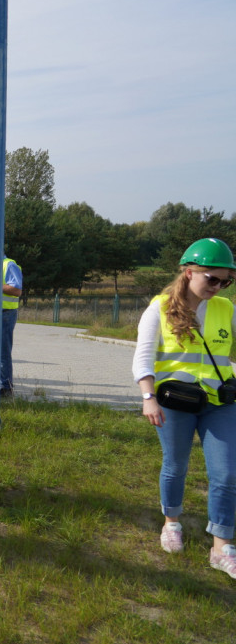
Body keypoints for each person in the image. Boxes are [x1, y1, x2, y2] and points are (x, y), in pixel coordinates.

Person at [132, 237, 236, 580]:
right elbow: (143, 357)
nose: (219, 286)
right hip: (174, 403)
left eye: (227, 280)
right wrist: (148, 397)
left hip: (219, 403)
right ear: (188, 272)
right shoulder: (160, 308)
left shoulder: (226, 309)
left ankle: (222, 547)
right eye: (212, 279)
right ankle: (171, 522)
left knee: (226, 474)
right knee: (175, 466)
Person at [1, 254, 23, 397]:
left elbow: (17, 290)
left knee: (3, 351)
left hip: (5, 313)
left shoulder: (9, 265)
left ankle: (6, 387)